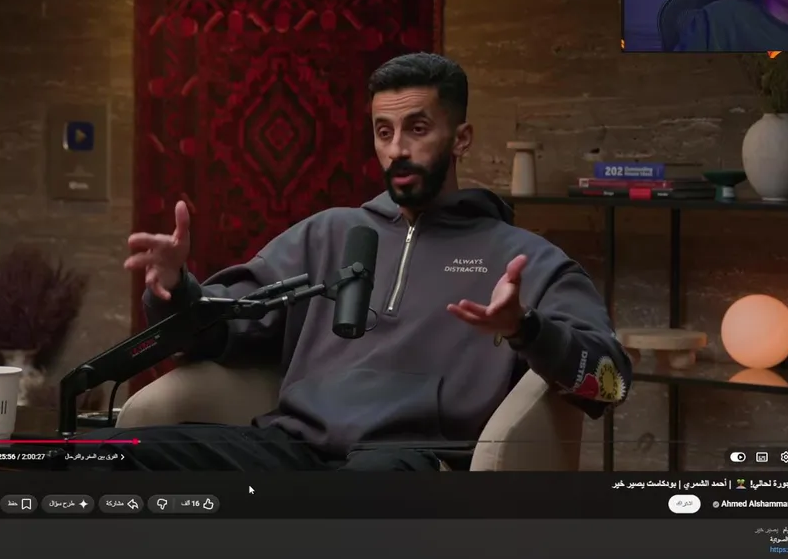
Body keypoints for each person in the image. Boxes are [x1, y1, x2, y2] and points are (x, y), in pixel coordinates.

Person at [77, 52, 632, 471]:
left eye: (417, 129)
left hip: (409, 461)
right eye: (383, 132)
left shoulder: (525, 259)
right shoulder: (329, 233)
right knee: (94, 456)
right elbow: (225, 330)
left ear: (461, 139)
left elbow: (610, 386)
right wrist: (174, 288)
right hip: (291, 449)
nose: (397, 149)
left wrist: (526, 329)